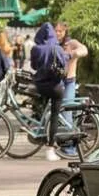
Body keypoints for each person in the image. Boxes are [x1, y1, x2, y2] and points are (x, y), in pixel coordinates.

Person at [30, 23, 70, 161]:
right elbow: (64, 67)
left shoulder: (36, 49)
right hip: (55, 87)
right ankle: (50, 148)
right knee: (54, 115)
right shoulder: (58, 49)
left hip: (40, 86)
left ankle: (39, 127)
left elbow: (33, 66)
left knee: (37, 104)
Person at [54, 21, 89, 158]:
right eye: (56, 31)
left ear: (65, 32)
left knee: (66, 113)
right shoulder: (53, 44)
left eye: (60, 31)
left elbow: (84, 50)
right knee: (56, 114)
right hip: (56, 81)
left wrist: (73, 53)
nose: (57, 33)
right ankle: (61, 143)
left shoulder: (71, 43)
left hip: (68, 81)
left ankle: (70, 149)